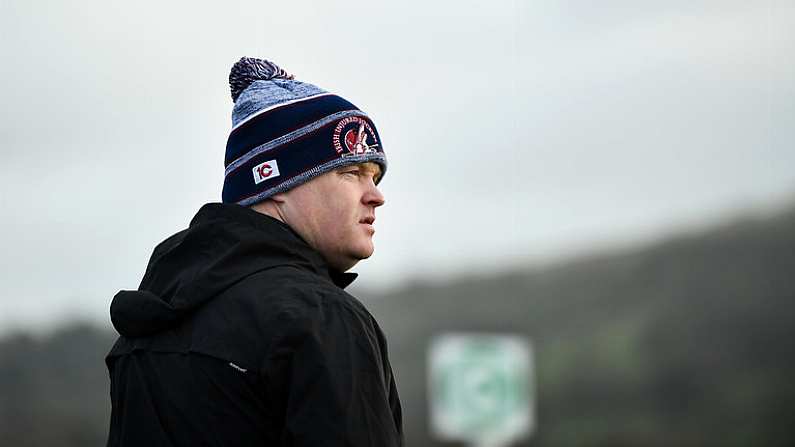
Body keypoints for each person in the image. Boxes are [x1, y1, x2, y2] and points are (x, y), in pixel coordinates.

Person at [105, 57, 404, 446]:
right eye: (350, 173)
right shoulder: (317, 319)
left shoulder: (144, 327)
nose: (376, 196)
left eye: (376, 177)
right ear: (275, 181)